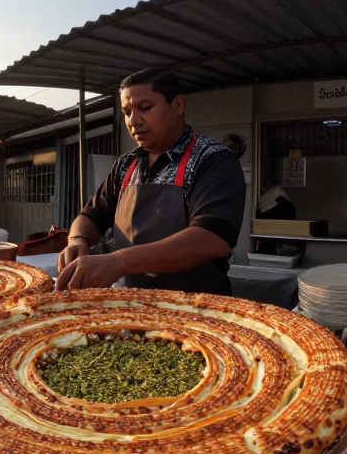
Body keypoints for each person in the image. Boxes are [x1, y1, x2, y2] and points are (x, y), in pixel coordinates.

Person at [57, 68, 246, 294]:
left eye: (145, 108)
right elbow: (90, 217)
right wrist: (77, 240)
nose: (133, 121)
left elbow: (211, 237)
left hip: (196, 309)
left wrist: (119, 261)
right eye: (127, 112)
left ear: (178, 105)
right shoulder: (127, 165)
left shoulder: (212, 159)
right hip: (128, 305)